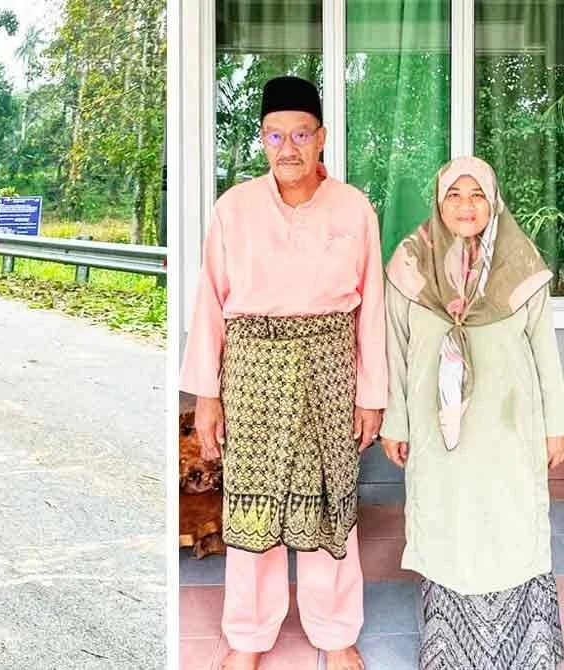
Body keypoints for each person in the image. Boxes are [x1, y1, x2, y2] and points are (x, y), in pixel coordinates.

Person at [179, 75, 386, 670]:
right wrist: (208, 396)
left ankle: (335, 630)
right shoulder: (234, 208)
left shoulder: (354, 207)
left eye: (301, 134)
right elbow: (210, 305)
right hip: (252, 369)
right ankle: (247, 635)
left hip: (328, 367)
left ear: (321, 139)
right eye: (276, 135)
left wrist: (370, 393)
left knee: (330, 502)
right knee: (253, 504)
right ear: (262, 140)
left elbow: (371, 306)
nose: (288, 148)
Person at [379, 156, 564, 669]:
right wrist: (396, 421)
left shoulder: (521, 263)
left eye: (476, 194)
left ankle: (530, 651)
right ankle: (452, 652)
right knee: (447, 520)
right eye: (454, 195)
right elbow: (395, 348)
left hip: (508, 427)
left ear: (492, 200)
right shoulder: (410, 264)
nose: (465, 205)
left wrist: (555, 428)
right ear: (439, 202)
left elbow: (545, 353)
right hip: (437, 431)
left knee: (509, 521)